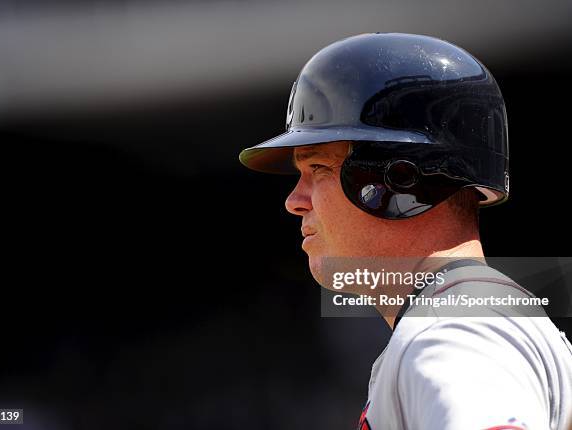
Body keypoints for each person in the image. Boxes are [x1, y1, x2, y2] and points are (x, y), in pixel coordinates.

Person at [238, 33, 572, 429]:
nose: (294, 201)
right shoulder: (475, 316)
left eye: (318, 169)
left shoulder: (453, 332)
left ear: (397, 181)